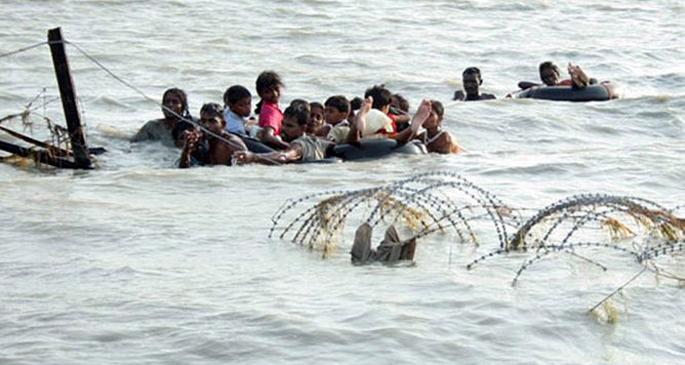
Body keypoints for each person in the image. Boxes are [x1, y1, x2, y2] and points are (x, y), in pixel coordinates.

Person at [234, 103, 334, 165]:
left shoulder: (299, 145)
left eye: (290, 126)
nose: (283, 129)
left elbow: (283, 157)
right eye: (283, 124)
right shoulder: (315, 139)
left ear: (303, 128)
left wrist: (253, 157)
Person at [179, 103, 247, 168]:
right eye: (203, 121)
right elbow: (183, 169)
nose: (206, 125)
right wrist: (187, 149)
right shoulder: (199, 140)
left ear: (223, 124)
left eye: (212, 121)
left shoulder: (231, 144)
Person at [254, 71, 288, 150]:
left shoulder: (267, 106)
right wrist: (289, 147)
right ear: (260, 94)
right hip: (273, 148)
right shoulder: (271, 112)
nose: (275, 94)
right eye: (268, 91)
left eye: (276, 89)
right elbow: (267, 137)